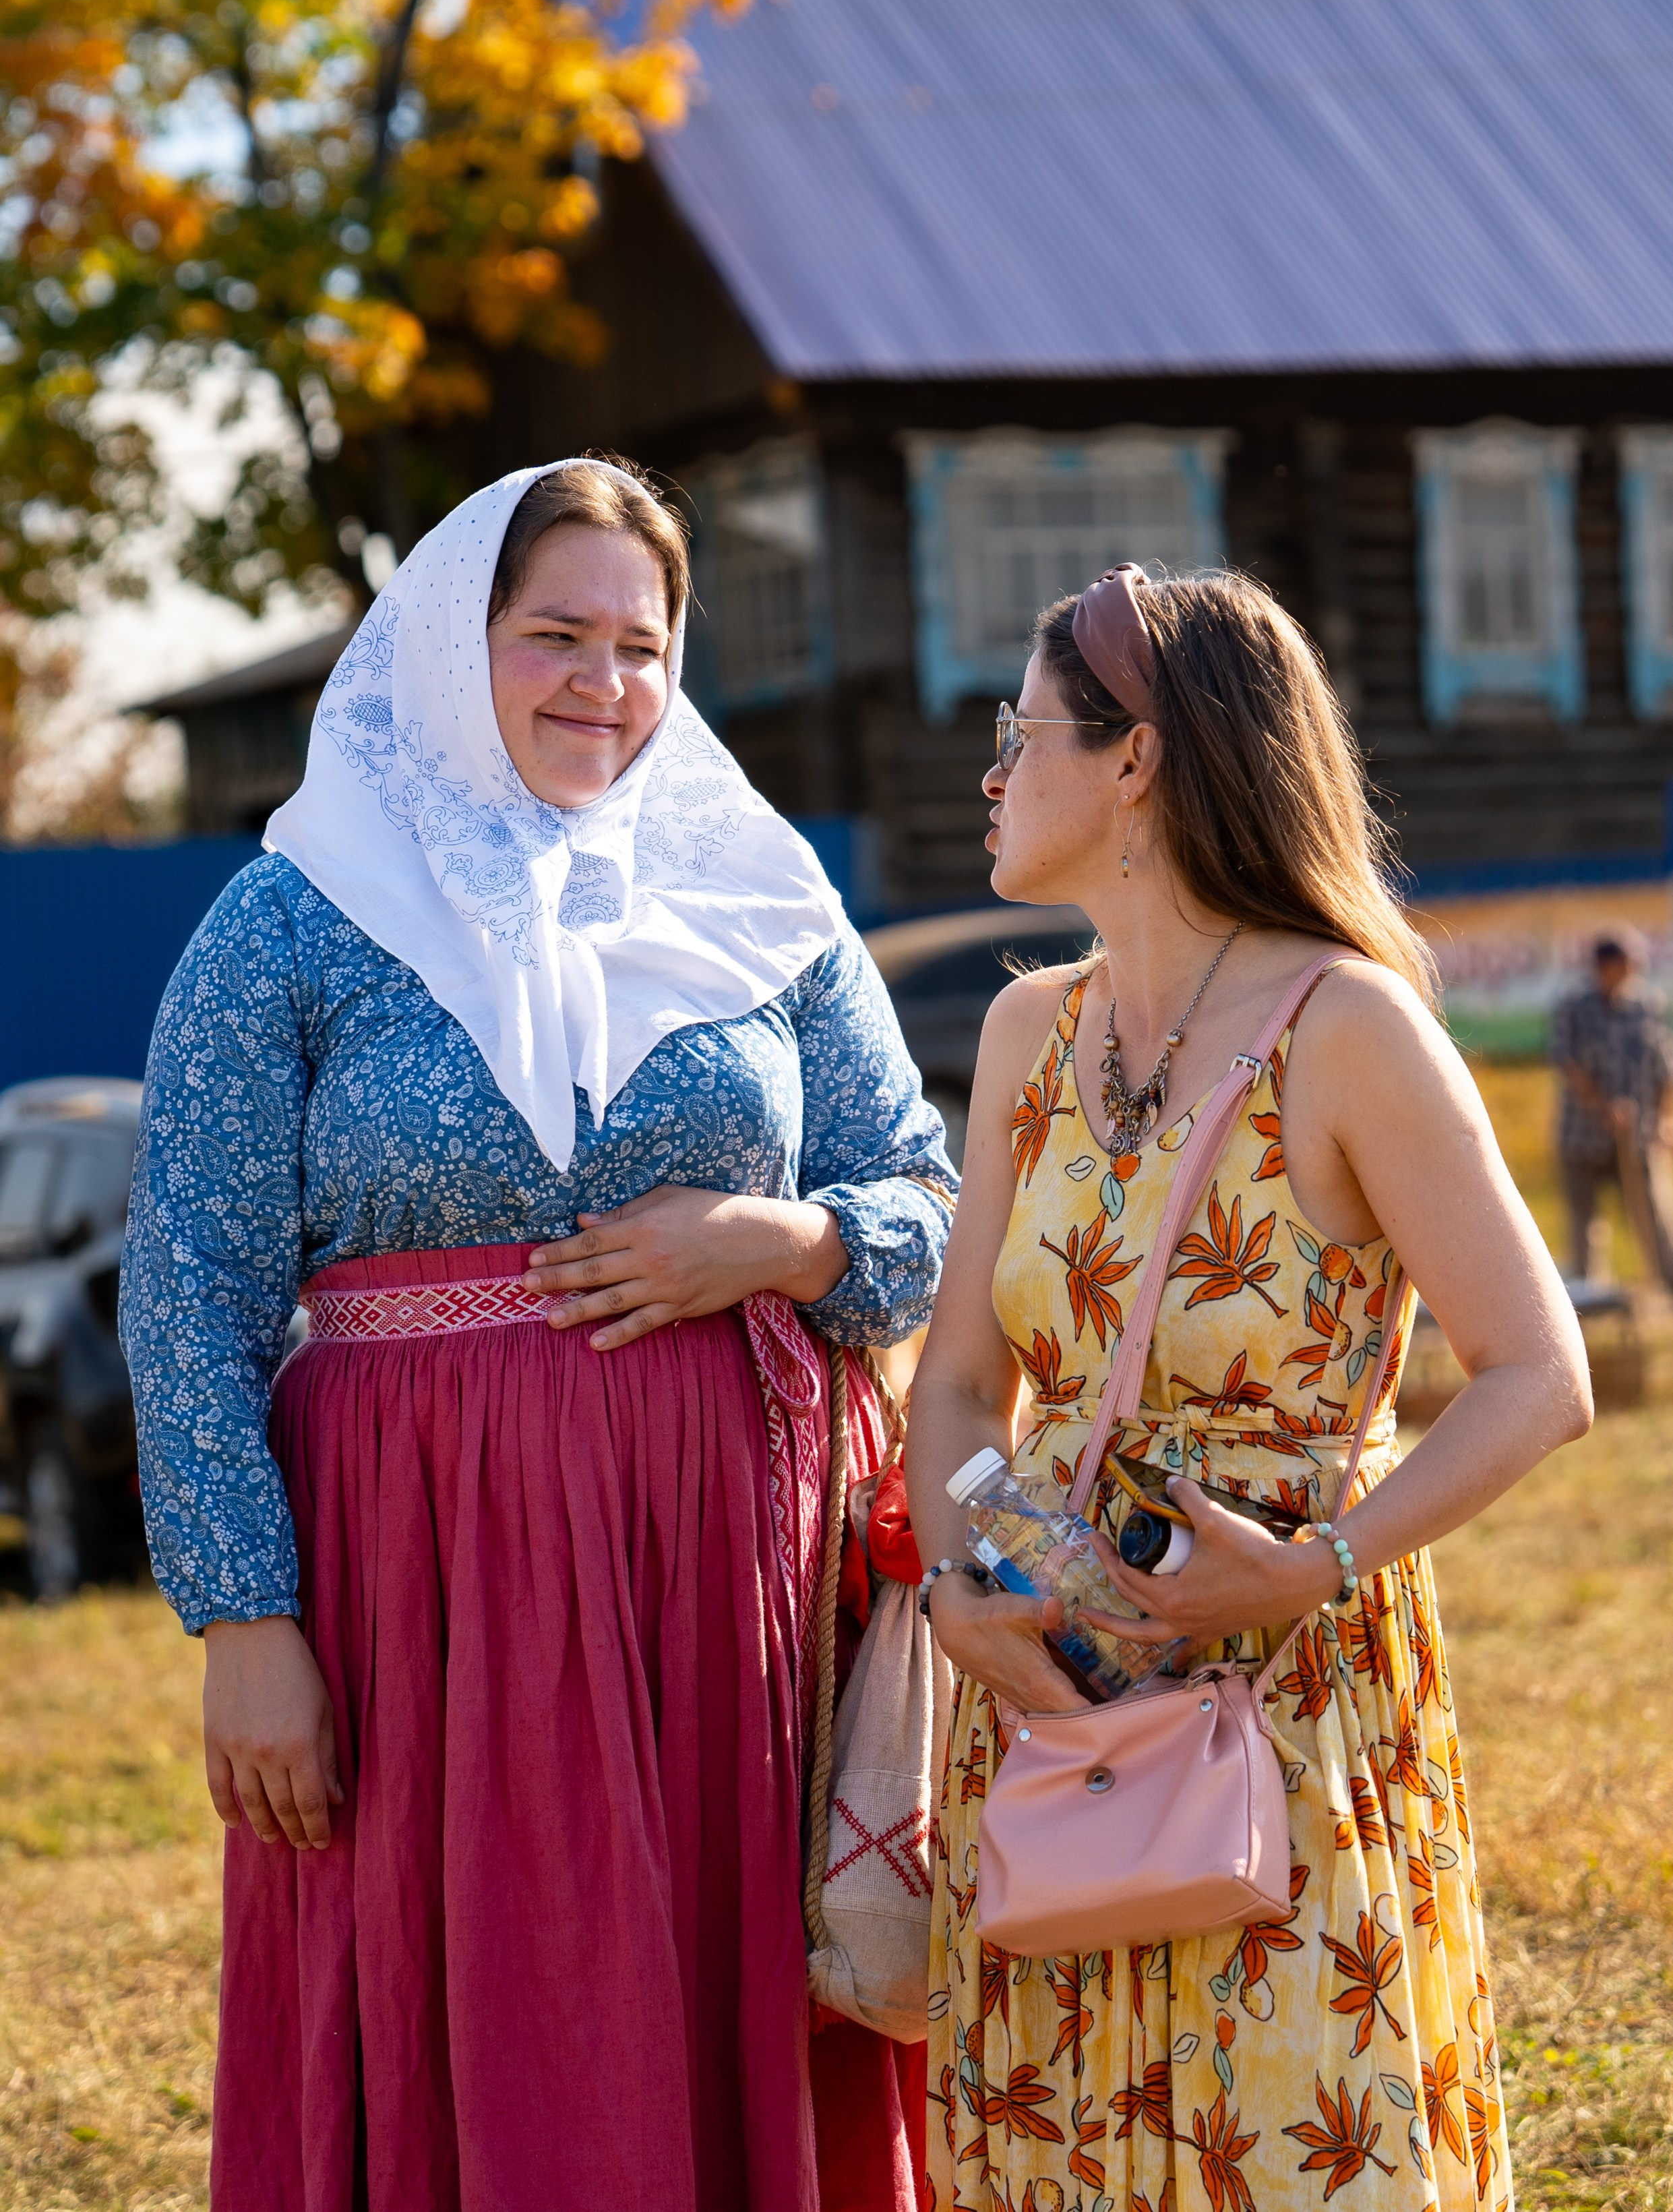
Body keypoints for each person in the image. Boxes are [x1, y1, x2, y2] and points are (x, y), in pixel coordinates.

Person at [119, 458, 958, 2212]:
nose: (605, 682)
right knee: (477, 1991)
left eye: (643, 645)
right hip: (410, 1566)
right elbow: (191, 1281)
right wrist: (245, 1616)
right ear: (449, 647)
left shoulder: (760, 899)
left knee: (713, 1981)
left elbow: (927, 1208)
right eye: (552, 634)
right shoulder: (294, 912)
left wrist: (783, 1238)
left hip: (721, 1561)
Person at [903, 564, 1590, 2211]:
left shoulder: (1345, 1023)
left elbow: (1533, 1373)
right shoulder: (1023, 1033)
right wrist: (953, 1586)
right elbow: (956, 1386)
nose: (992, 775)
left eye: (1020, 734)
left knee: (1288, 2142)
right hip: (1052, 1695)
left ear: (1132, 756)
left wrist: (1315, 1561)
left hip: (1281, 1694)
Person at [1549, 930, 1673, 1286]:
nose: (1637, 968)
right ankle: (1590, 1299)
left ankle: (1667, 1291)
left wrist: (1663, 1119)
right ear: (1607, 965)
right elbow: (1568, 1064)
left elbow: (1664, 1068)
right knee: (1585, 1223)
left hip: (1638, 1137)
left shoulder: (1647, 1006)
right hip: (1582, 1137)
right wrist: (1605, 1108)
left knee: (1655, 1219)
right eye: (1629, 962)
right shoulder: (1573, 1007)